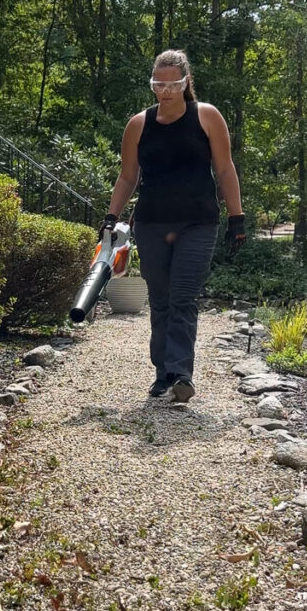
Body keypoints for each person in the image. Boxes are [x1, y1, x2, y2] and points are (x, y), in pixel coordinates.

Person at [100, 49, 245, 402]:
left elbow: (225, 169)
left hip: (198, 222)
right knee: (161, 300)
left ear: (185, 82)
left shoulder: (206, 117)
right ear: (152, 84)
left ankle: (181, 373)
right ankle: (163, 373)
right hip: (151, 222)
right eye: (158, 84)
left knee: (183, 297)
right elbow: (127, 176)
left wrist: (237, 217)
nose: (165, 91)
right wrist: (111, 216)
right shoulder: (139, 124)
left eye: (173, 84)